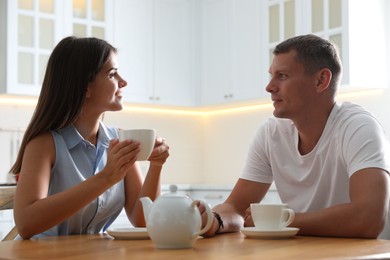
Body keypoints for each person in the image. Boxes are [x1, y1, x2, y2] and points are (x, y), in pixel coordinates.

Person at [201, 34, 390, 239]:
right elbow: (235, 208)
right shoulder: (271, 133)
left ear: (321, 80)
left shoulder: (359, 127)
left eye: (282, 76)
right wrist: (212, 220)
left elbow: (369, 219)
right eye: (271, 75)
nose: (269, 87)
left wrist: (280, 221)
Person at [10, 36, 170, 239]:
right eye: (112, 74)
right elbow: (26, 224)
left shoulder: (119, 139)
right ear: (85, 86)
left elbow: (143, 220)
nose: (123, 81)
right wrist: (107, 177)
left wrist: (156, 166)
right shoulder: (44, 144)